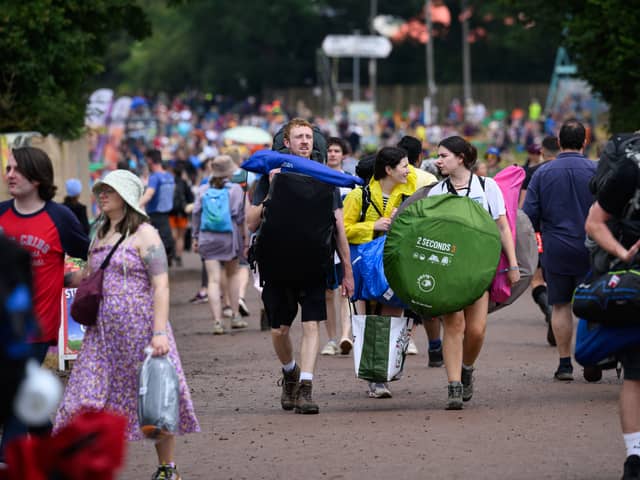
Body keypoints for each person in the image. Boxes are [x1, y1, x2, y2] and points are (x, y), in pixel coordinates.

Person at [54, 169, 199, 480]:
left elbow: (161, 285)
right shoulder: (99, 232)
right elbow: (92, 275)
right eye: (101, 190)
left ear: (127, 197)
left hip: (142, 331)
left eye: (110, 190)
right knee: (80, 398)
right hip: (102, 335)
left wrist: (159, 332)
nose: (102, 195)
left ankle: (167, 469)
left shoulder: (145, 234)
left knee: (156, 401)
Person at [247, 118, 354, 415]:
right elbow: (251, 221)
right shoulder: (269, 175)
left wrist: (347, 271)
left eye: (309, 137)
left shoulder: (325, 177)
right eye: (299, 137)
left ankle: (306, 387)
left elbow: (339, 228)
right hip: (277, 264)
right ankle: (290, 372)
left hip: (314, 262)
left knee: (311, 325)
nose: (305, 141)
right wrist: (271, 186)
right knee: (280, 330)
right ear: (287, 142)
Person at [0, 147, 89, 463]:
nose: (9, 175)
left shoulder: (59, 217)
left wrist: (72, 276)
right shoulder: (0, 214)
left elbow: (87, 250)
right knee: (22, 395)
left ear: (36, 176)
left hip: (37, 324)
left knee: (14, 396)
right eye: (8, 169)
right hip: (3, 323)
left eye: (16, 169)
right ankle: (59, 452)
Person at [428, 136, 519, 409]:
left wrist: (513, 264)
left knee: (476, 331)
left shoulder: (487, 187)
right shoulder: (437, 191)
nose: (438, 160)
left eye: (443, 155)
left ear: (461, 158)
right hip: (448, 268)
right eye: (438, 155)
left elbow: (503, 227)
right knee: (454, 325)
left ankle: (467, 368)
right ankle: (454, 386)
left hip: (480, 268)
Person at [584, 133, 640, 480]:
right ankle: (635, 458)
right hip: (637, 282)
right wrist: (623, 253)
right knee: (636, 374)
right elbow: (594, 222)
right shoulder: (632, 169)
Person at [522, 119, 596, 381]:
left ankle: (564, 364)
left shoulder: (542, 173)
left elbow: (528, 215)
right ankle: (592, 359)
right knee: (593, 305)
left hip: (557, 247)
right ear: (585, 142)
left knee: (560, 304)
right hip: (592, 247)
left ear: (560, 142)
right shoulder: (597, 170)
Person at [343, 146, 417, 398]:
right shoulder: (358, 197)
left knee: (395, 318)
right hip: (370, 267)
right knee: (373, 318)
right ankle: (375, 378)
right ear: (388, 169)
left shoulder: (410, 196)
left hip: (398, 266)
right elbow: (343, 229)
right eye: (404, 165)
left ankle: (387, 371)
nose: (408, 170)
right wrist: (372, 226)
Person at [396, 135, 443, 364]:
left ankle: (399, 345)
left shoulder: (388, 176)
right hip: (423, 244)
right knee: (427, 294)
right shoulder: (429, 179)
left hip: (393, 243)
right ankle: (435, 347)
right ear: (420, 157)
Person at [192, 155, 248, 334]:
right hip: (229, 237)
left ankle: (217, 322)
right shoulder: (236, 190)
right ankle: (235, 316)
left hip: (207, 237)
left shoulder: (203, 190)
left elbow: (195, 214)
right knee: (232, 275)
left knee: (213, 280)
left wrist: (195, 237)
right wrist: (245, 239)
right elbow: (241, 218)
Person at [519, 135, 560, 346]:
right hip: (567, 233)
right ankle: (557, 308)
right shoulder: (577, 169)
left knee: (537, 278)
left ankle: (548, 309)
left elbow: (525, 206)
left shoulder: (533, 172)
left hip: (538, 232)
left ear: (542, 151)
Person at [321, 137, 352, 356]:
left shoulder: (351, 182)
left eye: (336, 150)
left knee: (345, 292)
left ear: (344, 155)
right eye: (330, 150)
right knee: (327, 294)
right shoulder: (318, 179)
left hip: (346, 243)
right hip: (323, 244)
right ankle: (331, 338)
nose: (332, 154)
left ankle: (345, 336)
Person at [140, 149, 176, 263]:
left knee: (155, 243)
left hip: (156, 214)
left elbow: (149, 194)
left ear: (150, 160)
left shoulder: (155, 177)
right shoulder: (170, 176)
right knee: (166, 239)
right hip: (167, 214)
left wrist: (135, 205)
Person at [168, 163, 194, 268]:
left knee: (173, 235)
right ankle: (178, 256)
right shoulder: (184, 183)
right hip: (182, 213)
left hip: (171, 212)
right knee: (181, 237)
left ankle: (171, 254)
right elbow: (191, 198)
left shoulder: (170, 183)